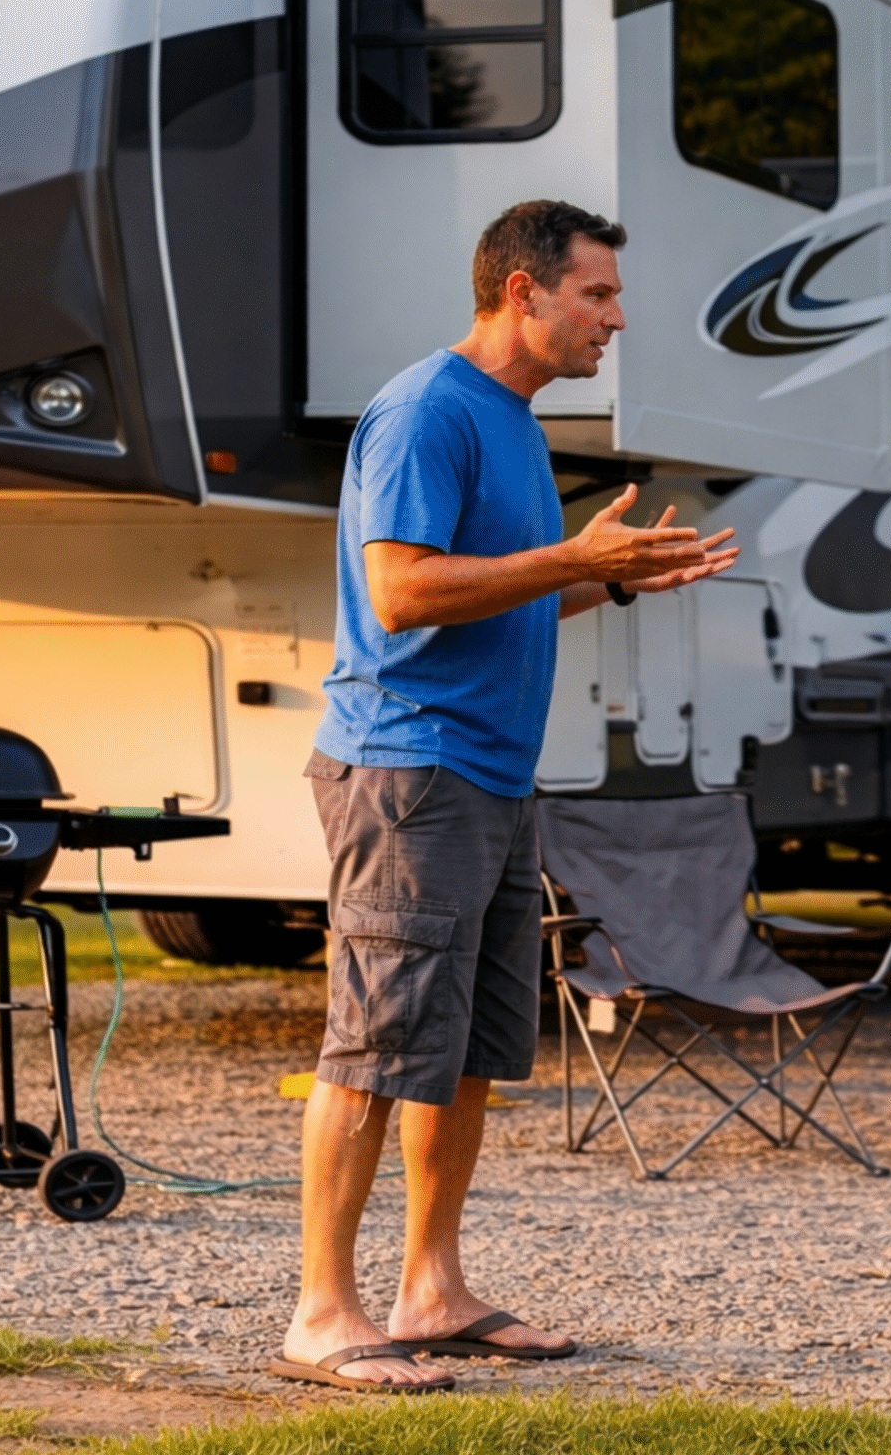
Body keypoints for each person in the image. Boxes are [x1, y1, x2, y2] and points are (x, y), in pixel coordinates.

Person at [273, 200, 739, 1394]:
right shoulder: (428, 411)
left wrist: (617, 579)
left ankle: (431, 1286)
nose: (615, 320)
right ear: (522, 292)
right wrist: (577, 558)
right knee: (377, 1041)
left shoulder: (513, 423)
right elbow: (403, 595)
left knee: (465, 1050)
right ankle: (325, 1310)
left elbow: (502, 591)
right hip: (408, 773)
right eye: (597, 295)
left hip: (484, 776)